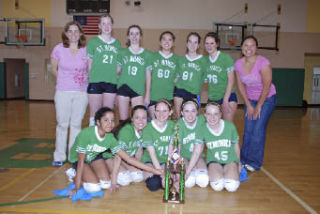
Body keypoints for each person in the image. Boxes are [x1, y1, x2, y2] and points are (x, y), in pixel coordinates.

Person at [69, 107, 162, 197]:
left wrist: (154, 170)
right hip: (79, 160)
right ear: (98, 122)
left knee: (105, 184)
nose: (110, 123)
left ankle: (90, 172)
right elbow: (81, 162)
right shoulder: (86, 134)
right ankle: (73, 173)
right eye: (106, 120)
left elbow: (129, 159)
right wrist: (77, 186)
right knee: (94, 188)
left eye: (112, 120)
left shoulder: (110, 138)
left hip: (94, 158)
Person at [234, 35, 277, 172]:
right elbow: (240, 86)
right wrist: (248, 104)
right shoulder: (238, 64)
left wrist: (258, 105)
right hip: (250, 100)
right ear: (242, 47)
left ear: (256, 48)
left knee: (258, 129)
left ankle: (255, 162)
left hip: (267, 98)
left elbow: (267, 85)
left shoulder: (263, 62)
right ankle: (243, 159)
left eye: (252, 45)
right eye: (246, 45)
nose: (249, 48)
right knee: (248, 130)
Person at [51, 21, 88, 166]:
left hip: (81, 93)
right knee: (62, 124)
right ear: (66, 33)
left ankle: (73, 156)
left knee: (76, 125)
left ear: (80, 34)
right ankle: (59, 156)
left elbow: (90, 69)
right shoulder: (58, 49)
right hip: (63, 92)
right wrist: (63, 80)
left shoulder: (86, 50)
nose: (73, 34)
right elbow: (53, 68)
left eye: (76, 31)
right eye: (70, 31)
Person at [86, 14, 122, 126]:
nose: (106, 26)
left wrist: (114, 77)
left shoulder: (117, 44)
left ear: (112, 26)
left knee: (107, 114)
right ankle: (92, 139)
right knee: (94, 114)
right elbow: (89, 65)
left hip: (111, 82)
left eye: (109, 23)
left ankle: (105, 141)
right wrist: (91, 80)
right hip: (95, 81)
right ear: (99, 26)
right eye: (104, 23)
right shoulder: (93, 42)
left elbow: (119, 66)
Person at [200, 102, 240, 192]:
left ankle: (228, 171)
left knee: (231, 186)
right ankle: (217, 172)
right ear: (205, 115)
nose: (212, 117)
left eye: (216, 114)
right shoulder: (202, 128)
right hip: (214, 161)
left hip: (230, 160)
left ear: (221, 115)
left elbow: (236, 147)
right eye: (209, 114)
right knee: (217, 186)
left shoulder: (230, 126)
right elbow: (197, 150)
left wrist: (238, 163)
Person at [117, 25, 152, 122]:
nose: (134, 36)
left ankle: (137, 137)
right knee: (123, 120)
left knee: (138, 119)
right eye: (131, 33)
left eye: (137, 33)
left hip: (138, 89)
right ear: (128, 36)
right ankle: (123, 137)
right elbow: (117, 72)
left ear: (141, 36)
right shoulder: (122, 52)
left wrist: (147, 94)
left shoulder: (147, 54)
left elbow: (148, 76)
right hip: (123, 88)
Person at [109, 105, 148, 186]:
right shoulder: (126, 131)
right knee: (125, 180)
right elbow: (118, 155)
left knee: (138, 176)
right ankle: (106, 173)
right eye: (137, 118)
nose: (141, 121)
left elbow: (139, 150)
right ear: (132, 119)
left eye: (144, 118)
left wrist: (139, 168)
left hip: (125, 158)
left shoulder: (144, 130)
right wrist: (114, 178)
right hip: (110, 156)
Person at [141, 99, 175, 191]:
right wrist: (162, 174)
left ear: (170, 112)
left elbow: (171, 151)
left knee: (168, 183)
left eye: (165, 111)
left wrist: (168, 171)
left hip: (165, 161)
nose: (161, 114)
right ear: (154, 112)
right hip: (151, 161)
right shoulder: (148, 128)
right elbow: (152, 155)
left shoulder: (173, 126)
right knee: (153, 184)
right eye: (158, 111)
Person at [174, 99, 209, 188]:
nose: (190, 115)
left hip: (198, 156)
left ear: (197, 112)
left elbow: (198, 150)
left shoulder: (202, 121)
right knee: (188, 182)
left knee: (203, 180)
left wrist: (189, 169)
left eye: (193, 111)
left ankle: (193, 170)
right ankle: (189, 172)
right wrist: (178, 177)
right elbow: (176, 150)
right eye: (187, 111)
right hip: (183, 157)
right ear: (181, 112)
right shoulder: (179, 125)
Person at [204, 32, 237, 122]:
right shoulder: (205, 60)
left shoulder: (226, 58)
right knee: (210, 129)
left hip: (228, 97)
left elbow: (231, 80)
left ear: (217, 44)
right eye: (207, 43)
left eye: (212, 43)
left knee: (227, 128)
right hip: (212, 98)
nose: (209, 46)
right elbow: (203, 80)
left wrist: (225, 100)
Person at [174, 32, 207, 119]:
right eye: (190, 42)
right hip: (179, 91)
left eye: (195, 42)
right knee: (179, 118)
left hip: (193, 93)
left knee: (193, 119)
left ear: (199, 45)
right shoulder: (180, 60)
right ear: (186, 43)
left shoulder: (204, 61)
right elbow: (176, 78)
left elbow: (206, 79)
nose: (192, 45)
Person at [148, 31, 179, 119]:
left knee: (167, 125)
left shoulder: (177, 59)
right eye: (164, 39)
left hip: (168, 96)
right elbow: (148, 76)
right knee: (154, 124)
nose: (167, 42)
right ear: (160, 42)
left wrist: (172, 83)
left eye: (169, 40)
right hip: (154, 95)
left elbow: (178, 76)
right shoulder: (152, 56)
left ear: (173, 43)